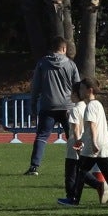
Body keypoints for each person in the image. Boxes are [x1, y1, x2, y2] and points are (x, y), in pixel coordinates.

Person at [60, 80, 108, 205]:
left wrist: (94, 143)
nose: (80, 92)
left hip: (94, 145)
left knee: (81, 171)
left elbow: (92, 126)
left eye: (82, 89)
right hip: (104, 143)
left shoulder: (90, 106)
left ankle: (74, 199)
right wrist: (81, 140)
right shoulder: (98, 104)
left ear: (89, 90)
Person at [25, 44, 80, 174]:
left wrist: (33, 104)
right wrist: (78, 105)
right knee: (73, 137)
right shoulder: (71, 64)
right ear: (64, 48)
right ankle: (80, 164)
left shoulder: (42, 63)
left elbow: (36, 86)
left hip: (48, 105)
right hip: (67, 107)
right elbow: (77, 86)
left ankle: (34, 166)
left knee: (42, 137)